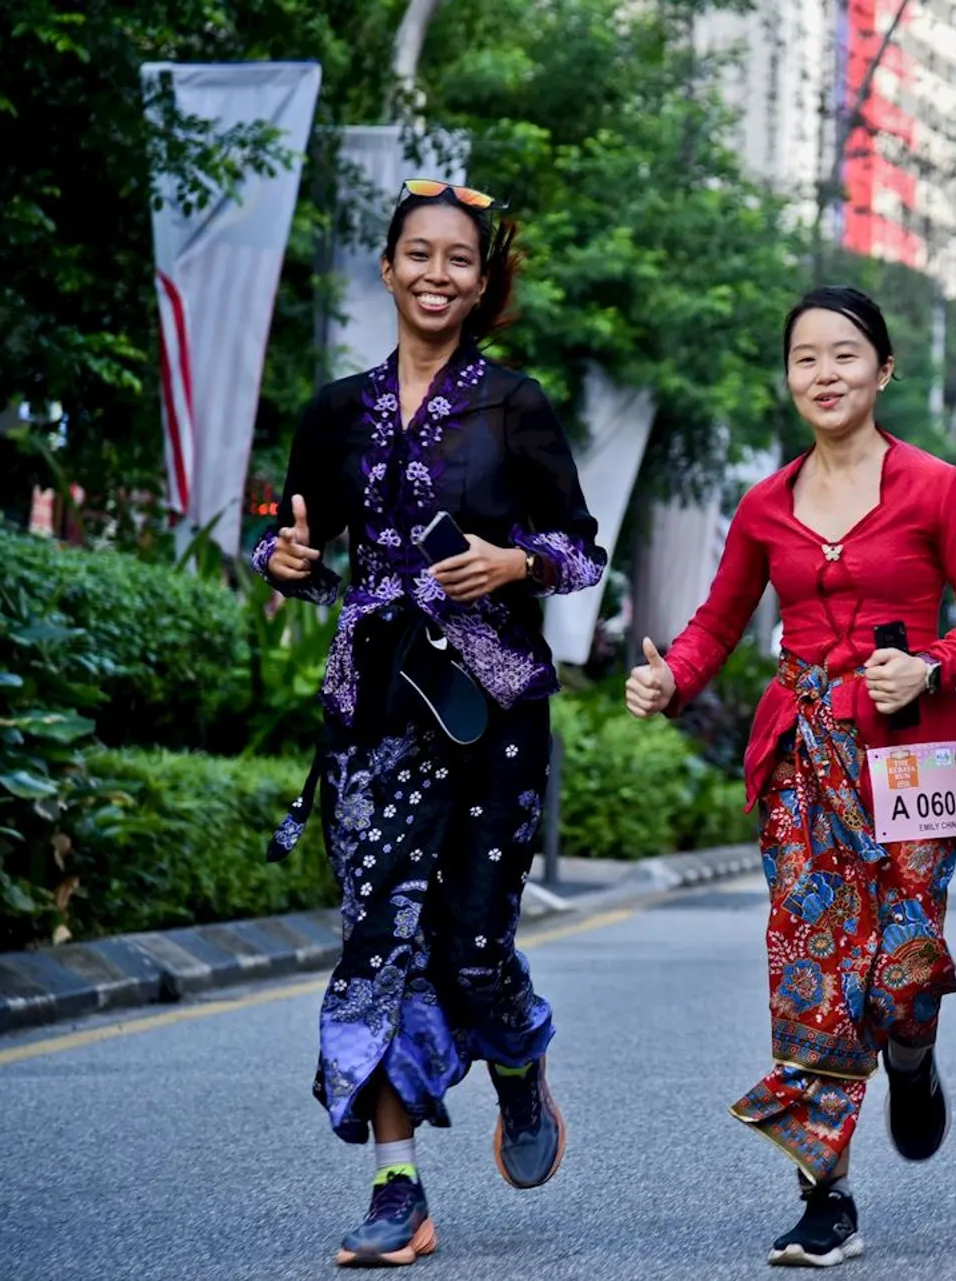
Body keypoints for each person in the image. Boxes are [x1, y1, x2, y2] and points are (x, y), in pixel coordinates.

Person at [623, 286, 956, 1268]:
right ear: (789, 376)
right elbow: (719, 623)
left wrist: (934, 663)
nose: (824, 374)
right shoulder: (764, 503)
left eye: (844, 356)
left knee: (904, 965)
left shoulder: (934, 485)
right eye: (805, 358)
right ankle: (823, 1193)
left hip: (915, 752)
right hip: (802, 757)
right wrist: (671, 675)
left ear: (882, 371)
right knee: (814, 971)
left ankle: (914, 1059)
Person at [255, 180, 607, 1267]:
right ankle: (396, 1187)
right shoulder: (332, 412)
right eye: (420, 254)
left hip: (492, 705)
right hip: (373, 708)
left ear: (481, 278)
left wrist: (515, 560)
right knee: (377, 942)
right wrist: (288, 565)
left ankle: (516, 1054)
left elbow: (583, 551)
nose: (438, 274)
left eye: (460, 258)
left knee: (473, 946)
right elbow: (301, 558)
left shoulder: (516, 402)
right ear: (389, 266)